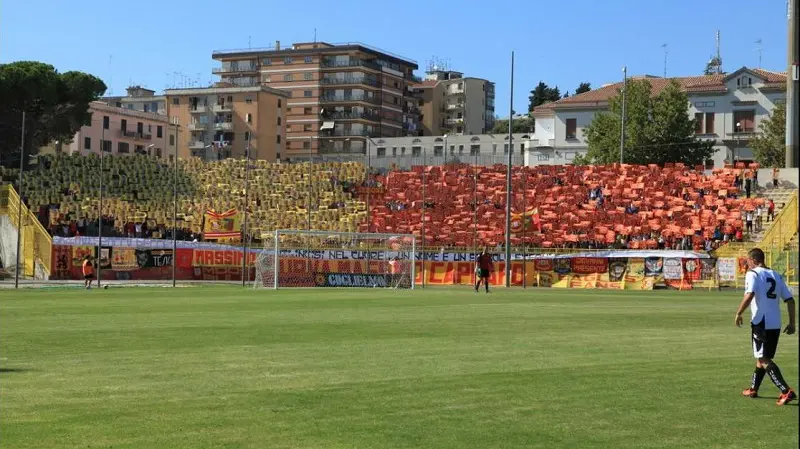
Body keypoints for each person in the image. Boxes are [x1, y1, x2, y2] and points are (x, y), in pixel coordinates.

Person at [735, 248, 796, 405]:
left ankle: (786, 390)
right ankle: (754, 388)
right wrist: (792, 322)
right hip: (775, 322)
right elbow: (790, 300)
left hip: (761, 322)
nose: (747, 264)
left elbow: (749, 294)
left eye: (748, 261)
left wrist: (739, 313)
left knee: (763, 358)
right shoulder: (776, 275)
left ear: (754, 260)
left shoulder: (753, 274)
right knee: (761, 356)